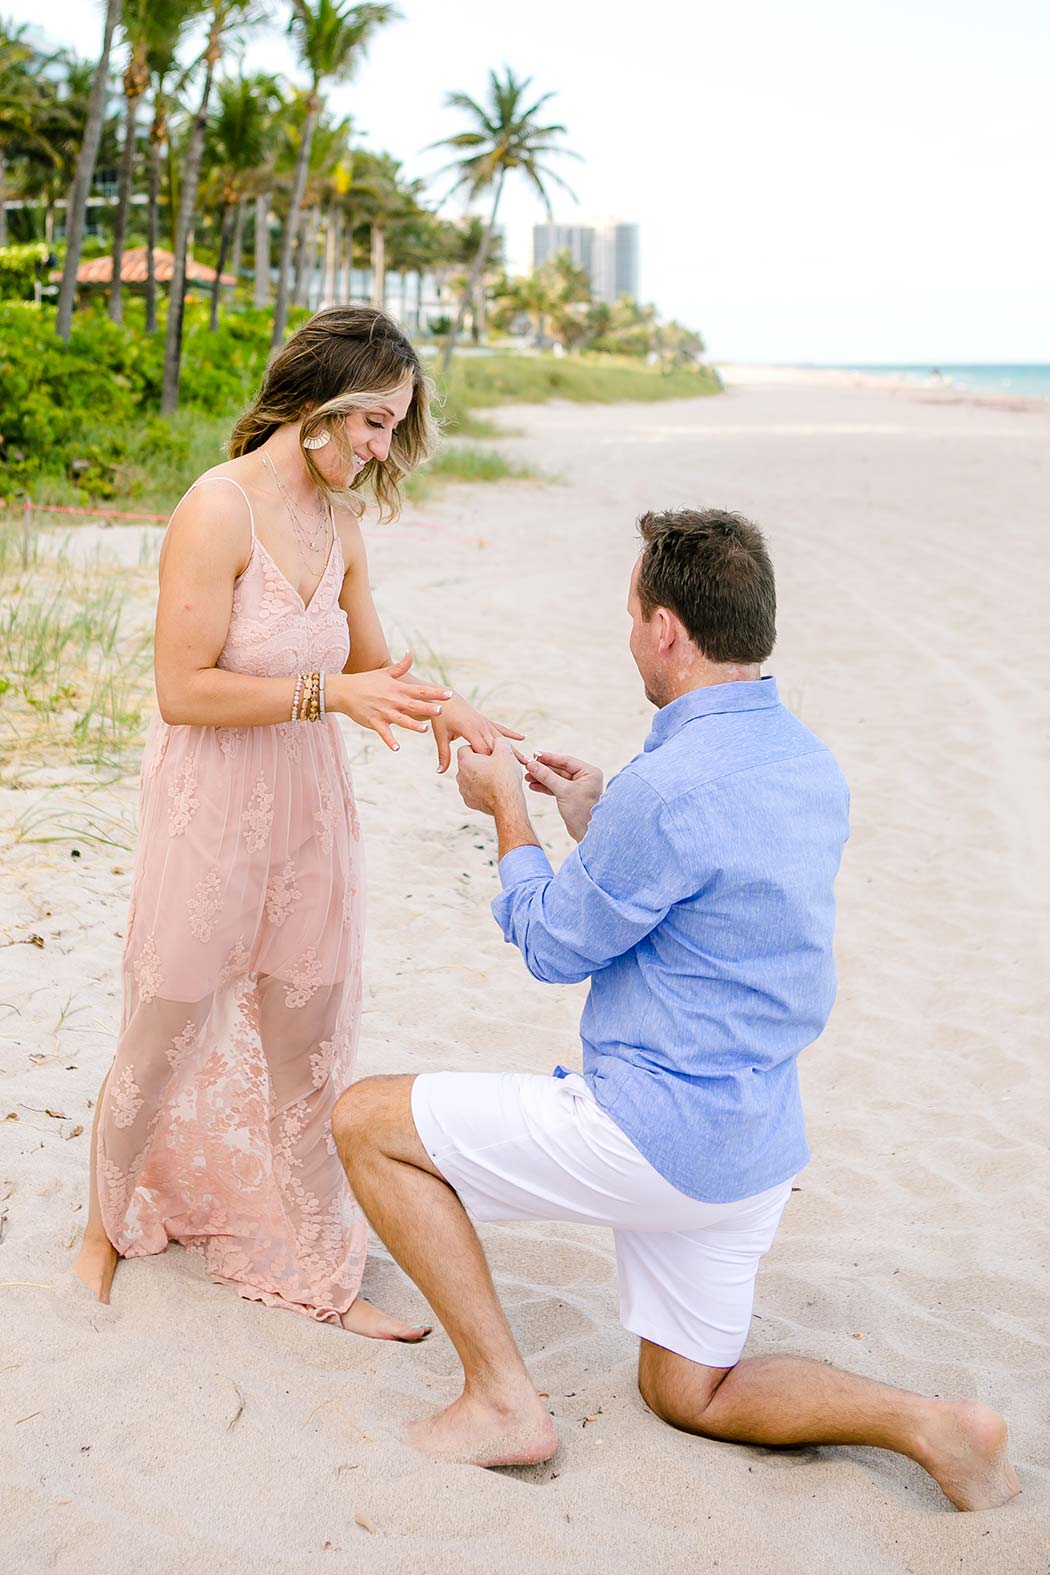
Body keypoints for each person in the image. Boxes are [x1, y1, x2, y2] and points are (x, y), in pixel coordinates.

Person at [332, 508, 1019, 1509]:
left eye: (629, 619)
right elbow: (713, 902)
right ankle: (937, 1427)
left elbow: (553, 945)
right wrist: (597, 816)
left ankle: (499, 1400)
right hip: (753, 1146)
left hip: (653, 1134)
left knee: (365, 1120)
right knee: (687, 1389)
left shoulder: (668, 791)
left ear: (665, 628)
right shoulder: (808, 764)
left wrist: (509, 814)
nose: (629, 639)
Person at [73, 306, 522, 1340]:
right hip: (210, 811)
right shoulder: (215, 510)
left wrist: (453, 711)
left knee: (306, 1041)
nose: (378, 451)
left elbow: (371, 668)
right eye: (371, 424)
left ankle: (319, 1268)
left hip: (309, 817)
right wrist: (333, 697)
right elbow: (184, 690)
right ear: (316, 405)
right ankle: (103, 1225)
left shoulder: (342, 524)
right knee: (164, 1023)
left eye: (392, 431)